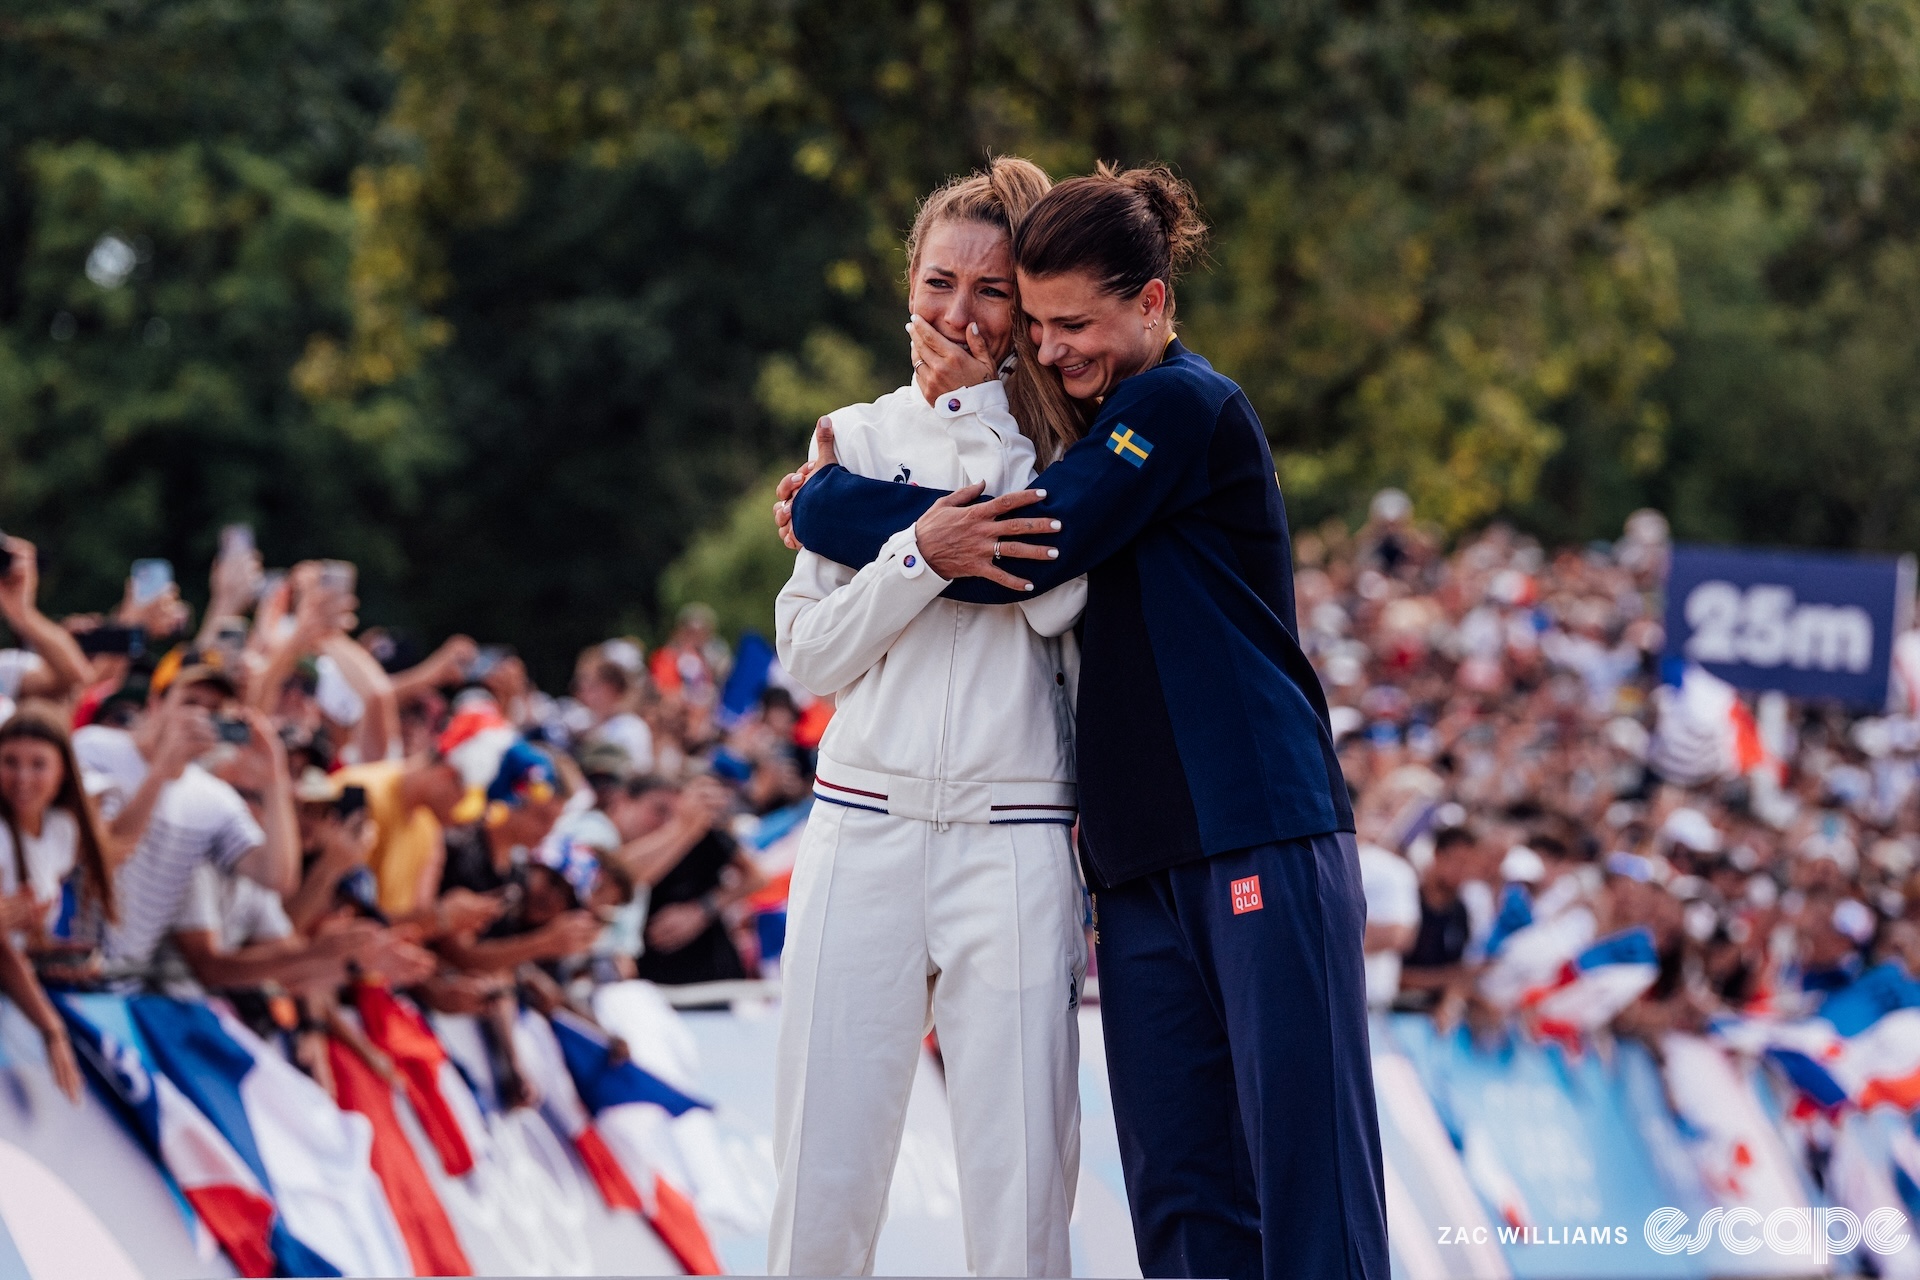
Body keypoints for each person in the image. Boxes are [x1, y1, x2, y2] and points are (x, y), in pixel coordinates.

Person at [784, 164, 1386, 1280]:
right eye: (1043, 327)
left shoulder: (1179, 403)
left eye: (1074, 323)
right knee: (1184, 1196)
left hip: (1256, 820)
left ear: (1153, 302)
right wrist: (891, 504)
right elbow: (991, 535)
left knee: (1309, 1185)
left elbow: (1030, 548)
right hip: (1137, 857)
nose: (1055, 349)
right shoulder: (1078, 426)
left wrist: (828, 504)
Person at [767, 156, 1091, 1279]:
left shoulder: (1058, 447)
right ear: (907, 279)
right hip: (862, 828)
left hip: (1014, 837)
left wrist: (969, 430)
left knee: (1022, 1187)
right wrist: (917, 553)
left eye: (991, 290)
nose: (959, 311)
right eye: (940, 281)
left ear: (1024, 307)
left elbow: (1057, 592)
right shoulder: (847, 441)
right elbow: (809, 654)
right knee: (825, 1172)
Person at [75, 664, 299, 971]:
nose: (200, 717)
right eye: (190, 703)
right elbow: (102, 854)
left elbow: (276, 877)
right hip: (70, 963)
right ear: (156, 703)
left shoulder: (214, 797)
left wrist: (275, 778)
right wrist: (161, 772)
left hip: (125, 984)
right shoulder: (94, 747)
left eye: (214, 709)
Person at [0, 707, 119, 947]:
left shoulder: (62, 829)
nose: (23, 778)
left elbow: (21, 944)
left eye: (39, 764)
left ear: (62, 771)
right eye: (10, 762)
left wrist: (57, 958)